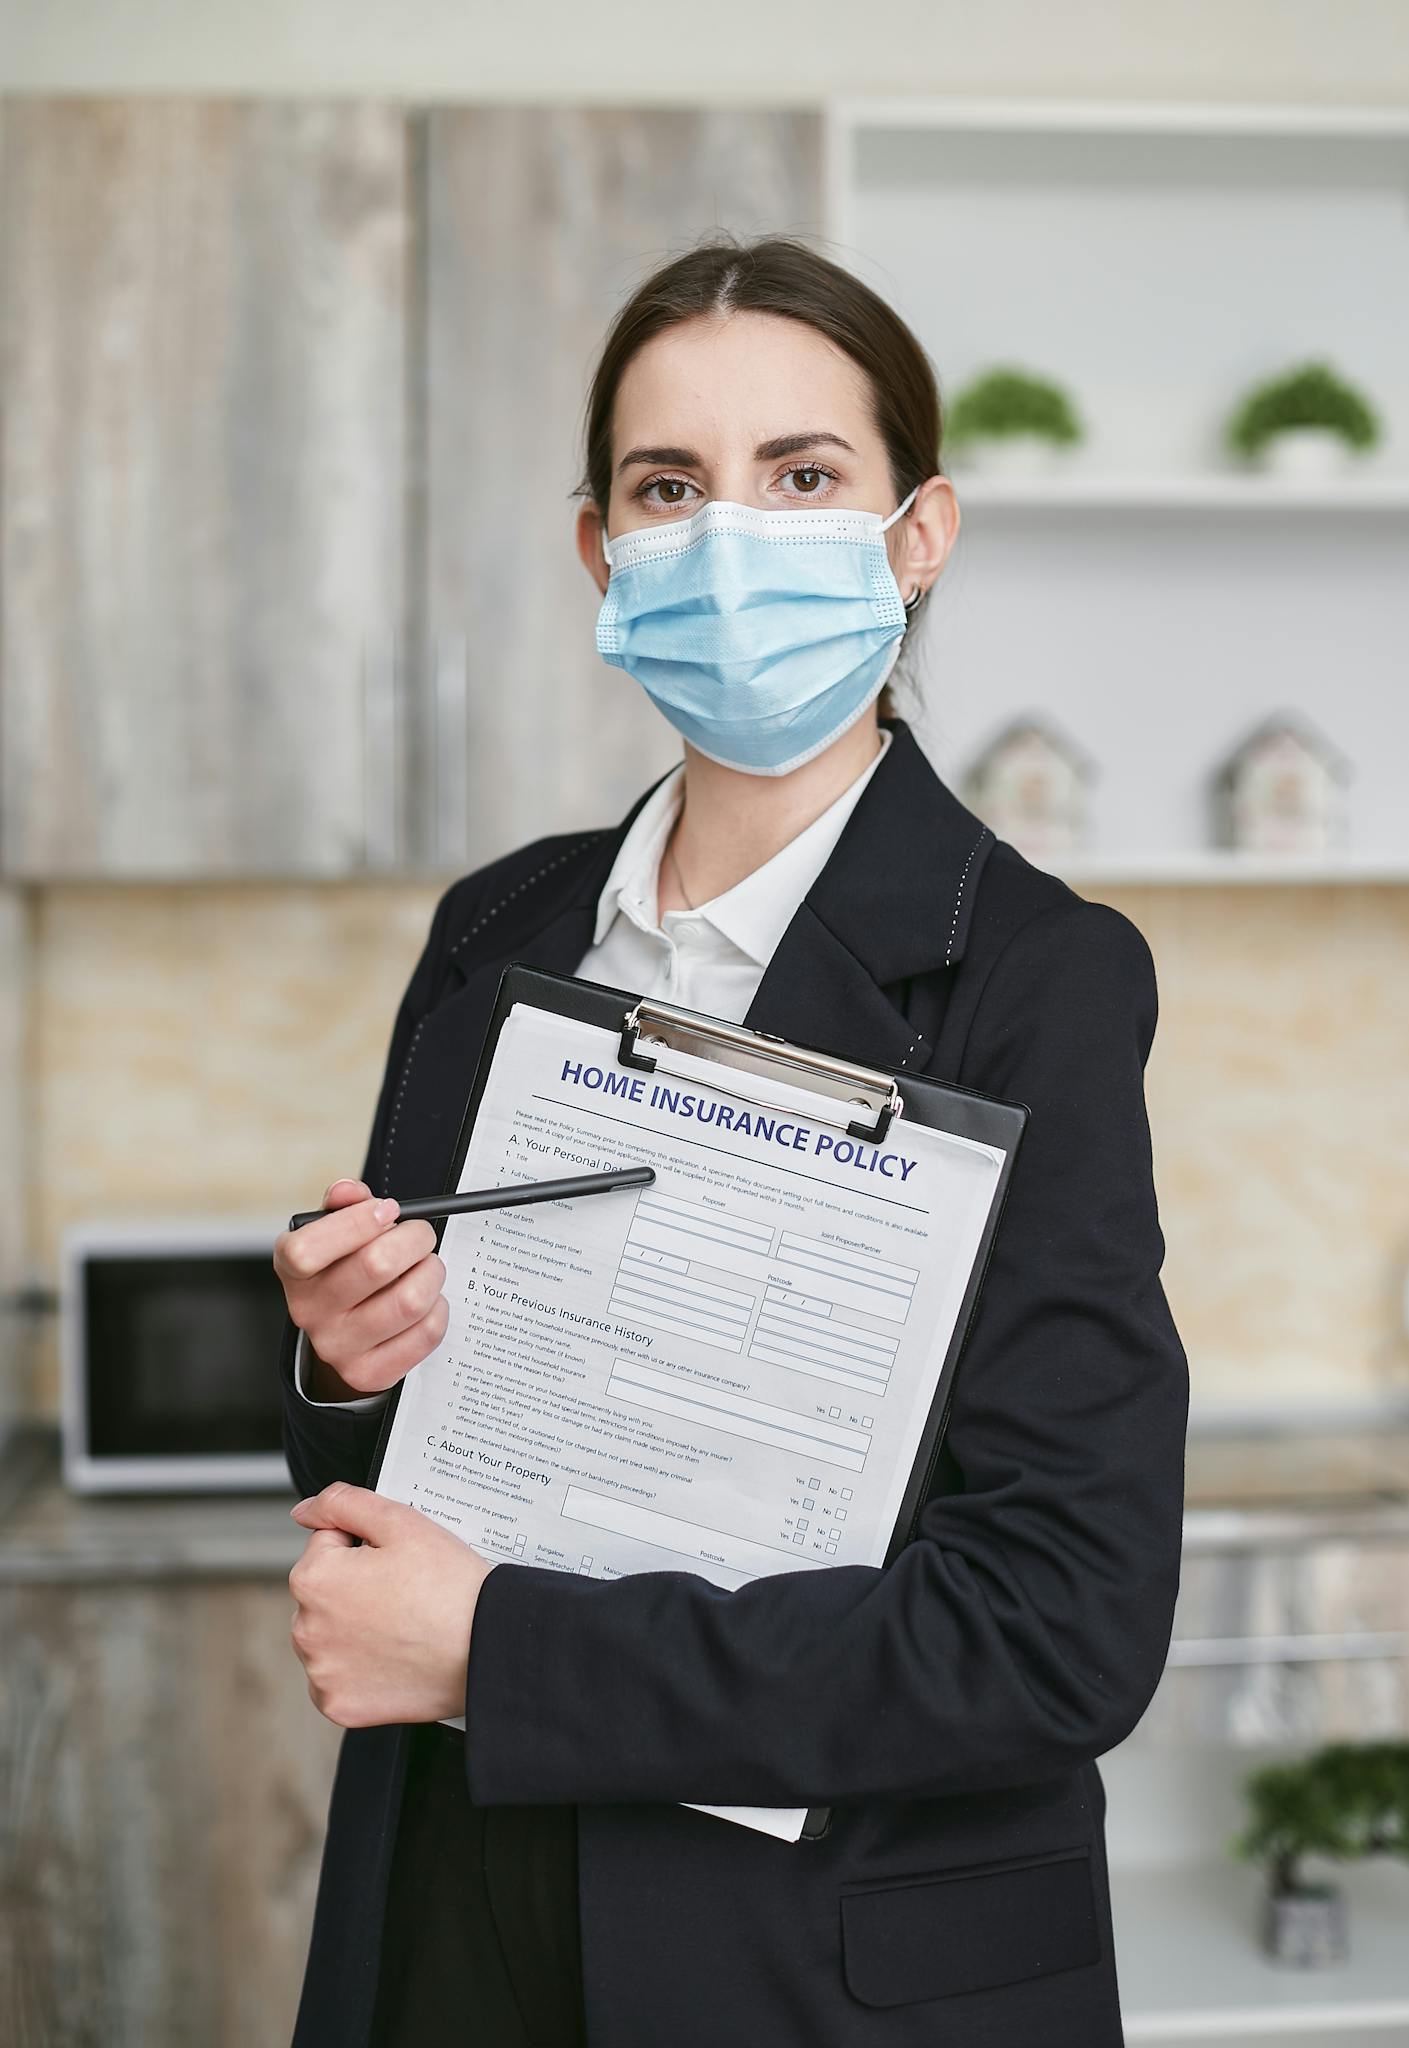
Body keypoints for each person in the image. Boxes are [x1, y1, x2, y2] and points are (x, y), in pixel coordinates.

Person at [273, 232, 1189, 2048]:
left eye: (802, 477)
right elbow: (420, 1470)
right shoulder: (498, 927)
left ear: (915, 535)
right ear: (602, 552)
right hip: (455, 1906)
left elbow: (1056, 1631)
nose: (730, 537)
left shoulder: (1039, 978)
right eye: (669, 487)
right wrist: (336, 1365)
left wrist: (498, 1652)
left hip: (813, 1963)